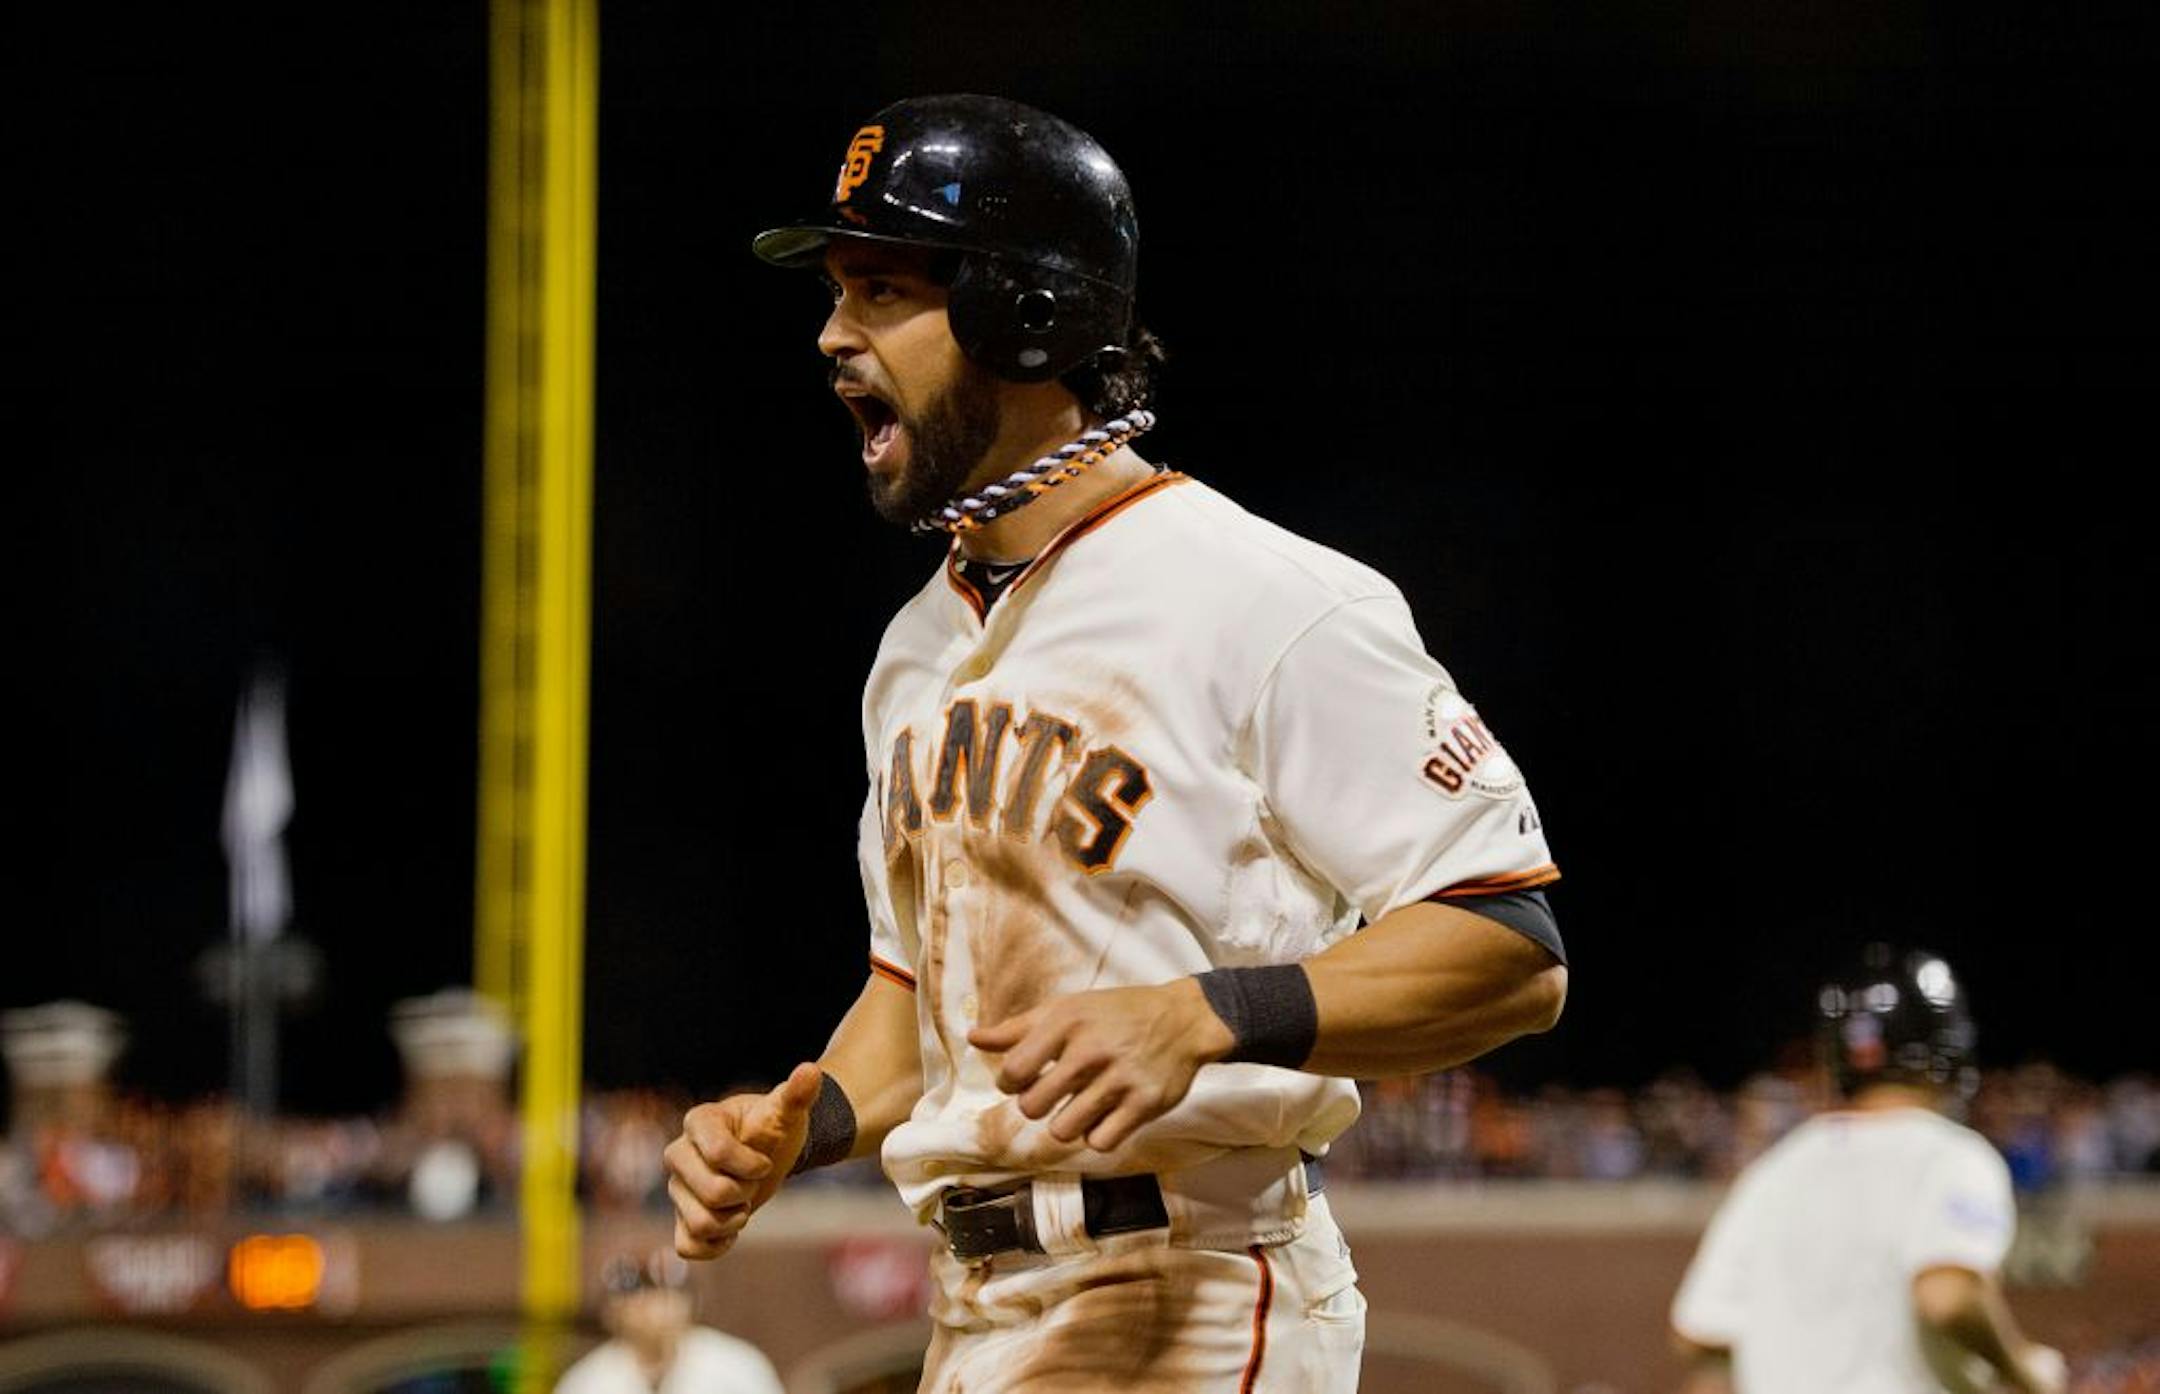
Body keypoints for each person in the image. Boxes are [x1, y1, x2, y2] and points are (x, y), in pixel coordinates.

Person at [665, 93, 1568, 1393]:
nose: (833, 334)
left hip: (1191, 1283)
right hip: (979, 1307)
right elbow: (920, 999)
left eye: (881, 289)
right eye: (837, 292)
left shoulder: (1264, 597)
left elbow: (1508, 943)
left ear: (1024, 311)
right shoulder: (914, 649)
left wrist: (1207, 1014)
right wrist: (799, 1127)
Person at [1670, 945, 2068, 1394]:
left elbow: (1697, 1332)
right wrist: (2021, 1370)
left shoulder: (1775, 1169)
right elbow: (1948, 1296)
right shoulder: (1952, 1156)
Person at [554, 1249, 784, 1394]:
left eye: (663, 1292)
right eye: (637, 1294)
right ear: (611, 1313)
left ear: (691, 1304)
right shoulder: (587, 1381)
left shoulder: (736, 1365)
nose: (651, 1306)